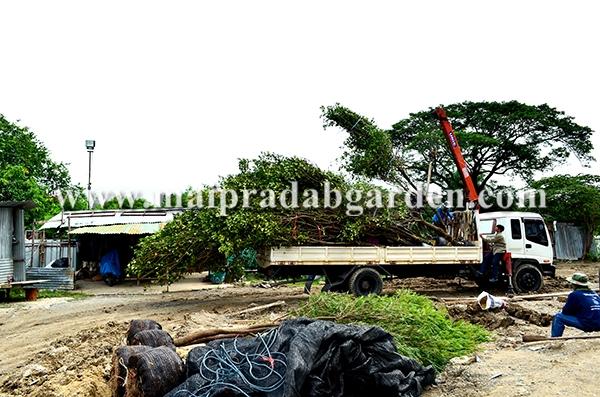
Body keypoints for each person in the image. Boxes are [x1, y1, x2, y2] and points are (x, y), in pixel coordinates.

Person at [551, 272, 600, 337]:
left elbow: (566, 312)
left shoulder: (574, 294)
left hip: (588, 324)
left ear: (574, 284)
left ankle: (555, 339)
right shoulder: (595, 294)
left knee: (558, 317)